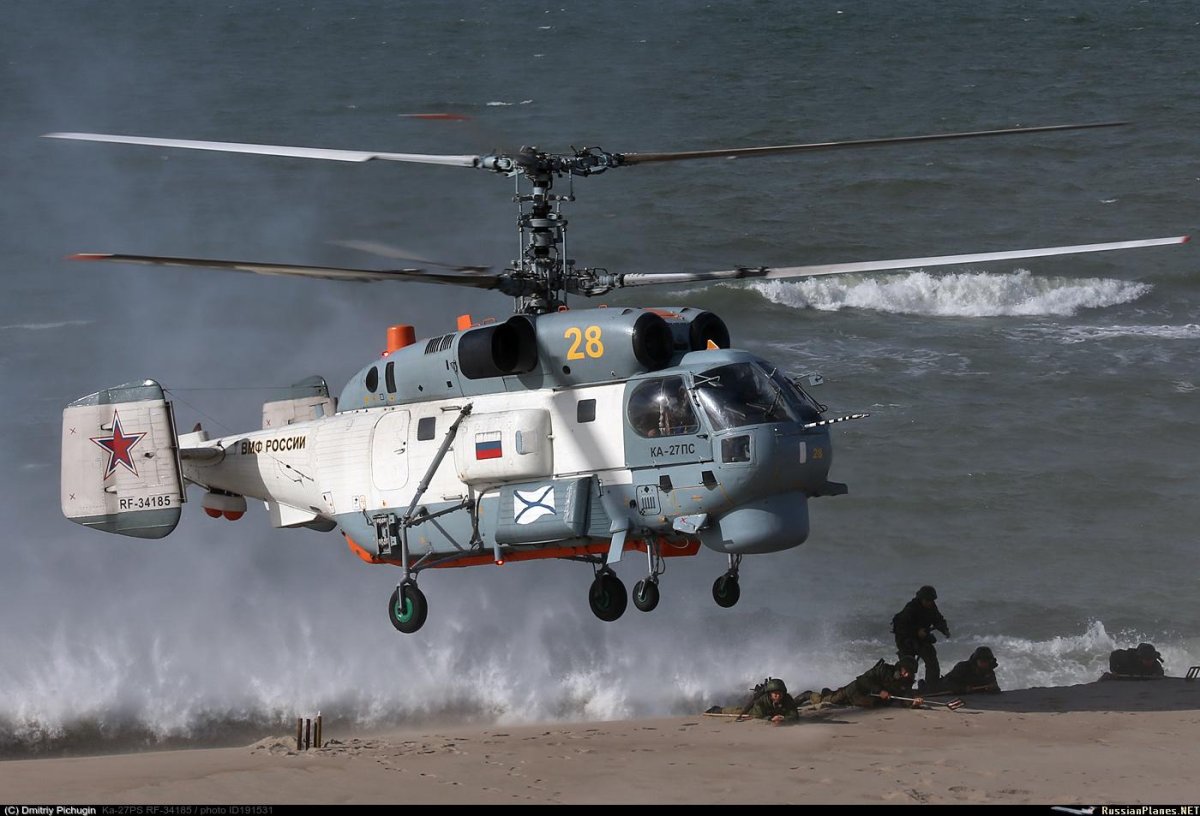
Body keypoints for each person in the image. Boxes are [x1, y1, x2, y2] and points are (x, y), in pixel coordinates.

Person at [801, 656, 924, 709]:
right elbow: (863, 679)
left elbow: (905, 697)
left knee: (839, 703)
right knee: (828, 701)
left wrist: (913, 703)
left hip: (865, 701)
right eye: (906, 671)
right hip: (854, 691)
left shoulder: (906, 682)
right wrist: (880, 691)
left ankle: (827, 692)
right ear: (899, 667)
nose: (907, 675)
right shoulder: (884, 669)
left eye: (910, 673)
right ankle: (809, 695)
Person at [891, 585, 950, 687]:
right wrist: (916, 631)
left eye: (931, 600)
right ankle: (903, 687)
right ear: (921, 599)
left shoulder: (932, 607)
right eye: (927, 600)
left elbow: (938, 619)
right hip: (905, 640)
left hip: (920, 639)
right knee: (907, 665)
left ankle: (932, 685)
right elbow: (900, 626)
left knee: (931, 657)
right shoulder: (911, 608)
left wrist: (944, 630)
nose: (930, 603)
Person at [706, 677, 800, 724]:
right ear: (770, 694)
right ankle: (717, 709)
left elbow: (794, 715)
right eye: (775, 693)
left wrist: (784, 719)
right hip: (755, 711)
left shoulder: (787, 698)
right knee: (737, 710)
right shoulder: (762, 700)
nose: (778, 696)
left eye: (780, 693)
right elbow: (758, 715)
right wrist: (770, 719)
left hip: (773, 713)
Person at [926, 646, 1001, 695]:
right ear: (976, 661)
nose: (984, 664)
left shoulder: (989, 671)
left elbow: (995, 688)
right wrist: (963, 688)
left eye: (986, 662)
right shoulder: (963, 667)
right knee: (927, 688)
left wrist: (993, 688)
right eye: (982, 661)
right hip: (942, 689)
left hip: (970, 696)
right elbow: (947, 682)